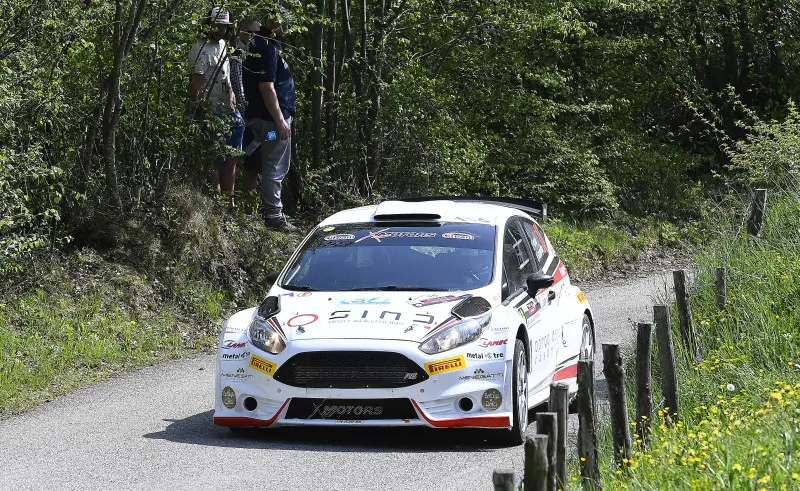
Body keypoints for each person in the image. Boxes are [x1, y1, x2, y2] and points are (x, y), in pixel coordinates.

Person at [242, 7, 296, 231]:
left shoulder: (257, 46)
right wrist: (280, 120)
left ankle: (251, 210)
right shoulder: (264, 46)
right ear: (272, 22)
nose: (284, 25)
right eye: (281, 21)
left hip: (262, 121)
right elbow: (266, 87)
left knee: (256, 158)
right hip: (272, 122)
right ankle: (273, 215)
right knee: (274, 163)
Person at [188, 7, 245, 208]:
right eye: (217, 25)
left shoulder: (223, 45)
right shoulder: (201, 48)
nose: (221, 30)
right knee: (215, 160)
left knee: (233, 157)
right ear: (209, 24)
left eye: (224, 26)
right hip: (212, 112)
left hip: (229, 111)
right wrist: (206, 111)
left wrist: (232, 98)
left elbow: (227, 77)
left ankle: (230, 202)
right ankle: (215, 202)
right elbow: (195, 85)